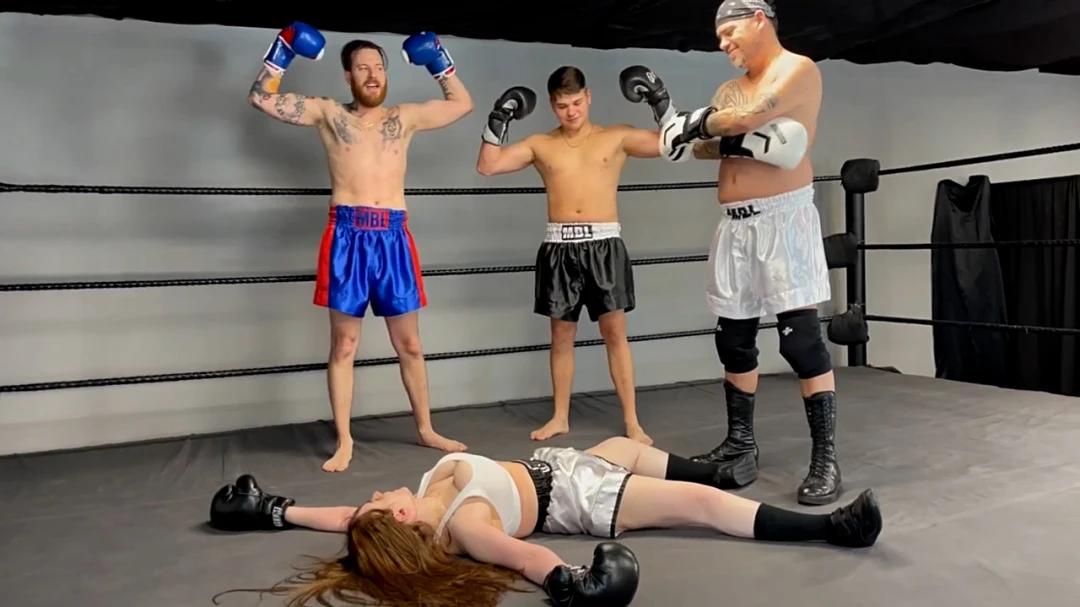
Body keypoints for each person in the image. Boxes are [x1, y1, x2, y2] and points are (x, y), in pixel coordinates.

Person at [208, 437, 883, 607]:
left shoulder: (402, 512)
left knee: (626, 445)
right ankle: (829, 528)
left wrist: (274, 509)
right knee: (697, 508)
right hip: (577, 498)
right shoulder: (467, 526)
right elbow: (524, 557)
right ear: (404, 516)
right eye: (382, 499)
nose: (377, 492)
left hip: (555, 464)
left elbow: (345, 517)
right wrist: (570, 579)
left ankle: (715, 469)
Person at [623, 0, 841, 505]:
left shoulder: (798, 70)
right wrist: (715, 133)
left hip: (784, 219)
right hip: (735, 226)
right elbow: (705, 144)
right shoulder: (727, 89)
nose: (723, 44)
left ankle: (825, 458)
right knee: (733, 339)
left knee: (801, 342)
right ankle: (741, 445)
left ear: (759, 20)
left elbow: (747, 117)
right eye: (719, 36)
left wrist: (700, 123)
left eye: (730, 33)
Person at [246, 23, 473, 472]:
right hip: (347, 236)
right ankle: (345, 440)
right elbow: (260, 97)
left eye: (378, 67)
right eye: (363, 68)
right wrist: (283, 48)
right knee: (344, 345)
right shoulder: (328, 113)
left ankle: (426, 429)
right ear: (347, 75)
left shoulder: (404, 118)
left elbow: (462, 104)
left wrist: (438, 61)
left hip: (393, 236)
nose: (372, 74)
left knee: (410, 344)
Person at [474, 66, 673, 445]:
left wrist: (659, 100)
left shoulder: (616, 137)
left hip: (604, 245)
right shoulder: (540, 144)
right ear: (553, 105)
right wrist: (498, 118)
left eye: (577, 102)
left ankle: (632, 421)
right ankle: (560, 417)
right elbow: (488, 165)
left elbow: (670, 144)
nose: (572, 111)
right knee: (561, 336)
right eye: (563, 105)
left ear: (589, 97)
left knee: (615, 334)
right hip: (559, 247)